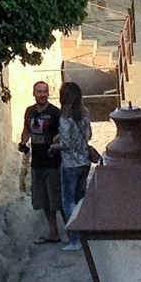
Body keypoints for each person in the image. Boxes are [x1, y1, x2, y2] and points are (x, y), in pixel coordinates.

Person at [18, 80, 67, 243]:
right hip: (37, 162)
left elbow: (64, 134)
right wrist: (23, 143)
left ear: (48, 93)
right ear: (34, 93)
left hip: (53, 162)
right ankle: (53, 231)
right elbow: (26, 129)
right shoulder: (30, 111)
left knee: (57, 199)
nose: (42, 94)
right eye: (39, 91)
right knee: (44, 199)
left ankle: (73, 233)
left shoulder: (55, 113)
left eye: (44, 91)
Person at [57, 90, 97, 237]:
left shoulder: (65, 118)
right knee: (81, 200)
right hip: (85, 161)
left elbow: (67, 144)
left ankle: (75, 238)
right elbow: (89, 135)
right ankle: (85, 234)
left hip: (70, 164)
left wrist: (54, 146)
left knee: (68, 202)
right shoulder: (84, 116)